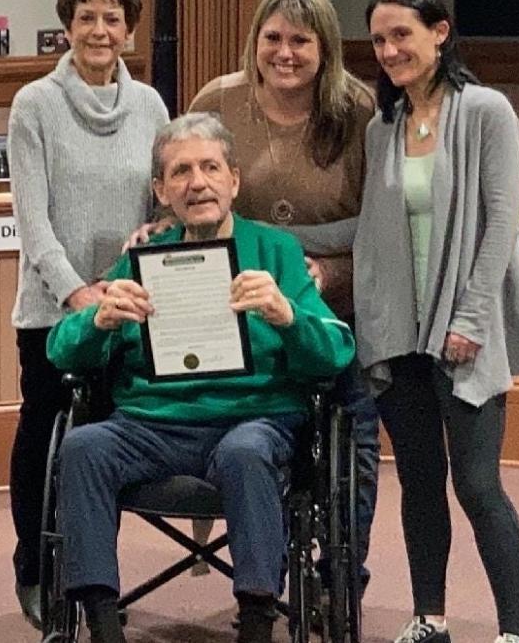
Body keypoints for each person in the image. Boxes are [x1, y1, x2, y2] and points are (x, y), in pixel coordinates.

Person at [48, 113, 355, 643]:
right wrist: (97, 321)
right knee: (84, 447)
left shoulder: (277, 253)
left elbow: (334, 353)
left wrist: (287, 316)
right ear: (161, 190)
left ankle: (256, 621)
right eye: (181, 171)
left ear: (234, 180)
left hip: (252, 419)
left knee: (246, 452)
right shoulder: (140, 260)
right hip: (150, 425)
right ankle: (101, 622)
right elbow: (61, 350)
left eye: (211, 167)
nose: (198, 182)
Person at [353, 0, 519, 643]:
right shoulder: (385, 127)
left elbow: (500, 227)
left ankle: (515, 631)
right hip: (399, 337)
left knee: (477, 484)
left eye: (401, 34)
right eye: (378, 39)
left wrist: (470, 319)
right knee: (420, 483)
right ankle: (429, 617)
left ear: (440, 32)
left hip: (464, 334)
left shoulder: (488, 111)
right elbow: (369, 228)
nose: (389, 50)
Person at [187, 0, 381, 594]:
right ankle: (261, 578)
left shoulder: (358, 110)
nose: (285, 52)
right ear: (256, 41)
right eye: (273, 37)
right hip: (234, 308)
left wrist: (321, 273)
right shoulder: (219, 100)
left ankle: (341, 575)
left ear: (324, 48)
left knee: (358, 431)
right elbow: (180, 199)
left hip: (334, 303)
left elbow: (379, 225)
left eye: (301, 39)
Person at [6, 0, 169, 629]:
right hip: (55, 312)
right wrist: (78, 295)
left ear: (129, 30)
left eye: (112, 18)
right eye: (86, 18)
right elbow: (32, 220)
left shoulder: (152, 106)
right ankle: (35, 572)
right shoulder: (34, 106)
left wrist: (142, 259)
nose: (99, 30)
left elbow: (159, 205)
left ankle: (92, 582)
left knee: (102, 453)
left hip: (127, 311)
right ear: (67, 27)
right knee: (45, 441)